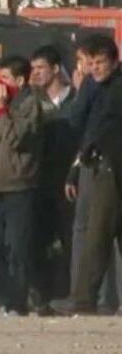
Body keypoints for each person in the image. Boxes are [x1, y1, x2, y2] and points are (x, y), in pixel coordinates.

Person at [54, 35, 122, 315]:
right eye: (90, 63)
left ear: (115, 61)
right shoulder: (98, 86)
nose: (95, 68)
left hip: (111, 164)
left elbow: (91, 125)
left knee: (97, 232)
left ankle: (83, 298)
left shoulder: (114, 88)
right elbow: (78, 120)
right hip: (100, 162)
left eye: (101, 62)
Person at [0, 55, 43, 317]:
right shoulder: (0, 103)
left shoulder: (31, 104)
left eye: (5, 78)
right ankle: (6, 297)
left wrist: (4, 109)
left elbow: (17, 138)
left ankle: (18, 302)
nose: (0, 83)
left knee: (17, 247)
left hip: (19, 186)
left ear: (19, 79)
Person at [30, 45, 78, 310]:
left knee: (71, 238)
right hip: (40, 182)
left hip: (70, 181)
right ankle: (42, 296)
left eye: (40, 68)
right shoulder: (33, 102)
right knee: (40, 240)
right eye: (33, 69)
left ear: (56, 69)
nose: (35, 74)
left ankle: (69, 292)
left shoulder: (77, 99)